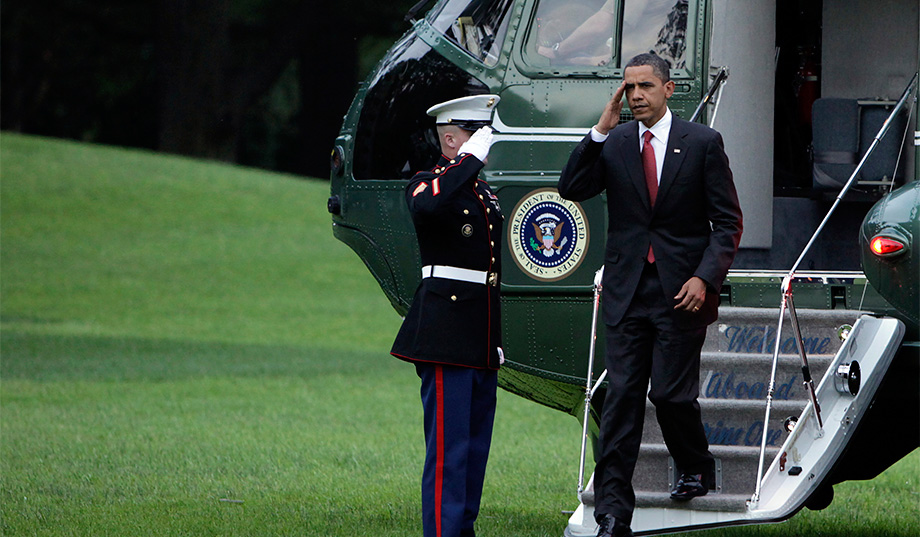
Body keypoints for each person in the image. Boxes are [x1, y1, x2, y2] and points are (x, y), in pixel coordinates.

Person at [557, 53, 743, 537]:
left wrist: (705, 278)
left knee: (669, 395)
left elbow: (727, 223)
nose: (636, 95)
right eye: (629, 87)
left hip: (682, 291)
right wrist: (600, 130)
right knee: (620, 398)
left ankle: (695, 464)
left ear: (668, 89)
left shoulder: (702, 143)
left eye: (645, 86)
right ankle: (613, 514)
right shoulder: (616, 142)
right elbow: (571, 187)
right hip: (626, 291)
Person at [391, 94, 504, 537]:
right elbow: (428, 208)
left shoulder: (482, 191)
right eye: (475, 134)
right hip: (445, 331)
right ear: (452, 138)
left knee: (475, 449)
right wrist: (468, 161)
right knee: (448, 451)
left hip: (480, 333)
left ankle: (463, 530)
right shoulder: (428, 183)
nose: (484, 142)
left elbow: (490, 270)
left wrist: (496, 340)